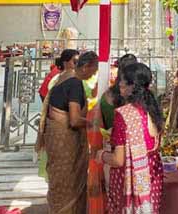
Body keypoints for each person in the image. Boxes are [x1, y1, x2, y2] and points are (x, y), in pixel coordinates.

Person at [95, 63, 164, 213]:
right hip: (152, 181)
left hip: (129, 185)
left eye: (123, 81)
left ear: (132, 86)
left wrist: (102, 155)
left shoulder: (124, 115)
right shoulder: (153, 110)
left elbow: (118, 160)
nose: (119, 84)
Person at [44, 51, 98, 213]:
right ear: (86, 66)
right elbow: (74, 120)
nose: (93, 75)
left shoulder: (63, 77)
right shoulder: (74, 83)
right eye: (93, 70)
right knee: (68, 182)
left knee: (59, 182)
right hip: (65, 142)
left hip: (55, 139)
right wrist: (93, 125)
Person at [36, 49, 80, 181]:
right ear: (66, 62)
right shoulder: (66, 79)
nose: (78, 64)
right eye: (75, 61)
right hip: (60, 126)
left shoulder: (64, 76)